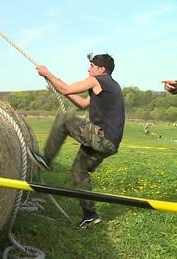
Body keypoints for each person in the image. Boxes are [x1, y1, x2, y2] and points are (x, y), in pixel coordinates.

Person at [29, 53, 125, 228]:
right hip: (110, 143)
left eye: (92, 66)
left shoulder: (98, 80)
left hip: (102, 137)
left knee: (65, 119)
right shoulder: (110, 85)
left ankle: (46, 159)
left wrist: (47, 74)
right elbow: (82, 103)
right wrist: (57, 85)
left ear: (101, 69)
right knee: (78, 171)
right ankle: (90, 215)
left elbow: (67, 89)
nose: (89, 69)